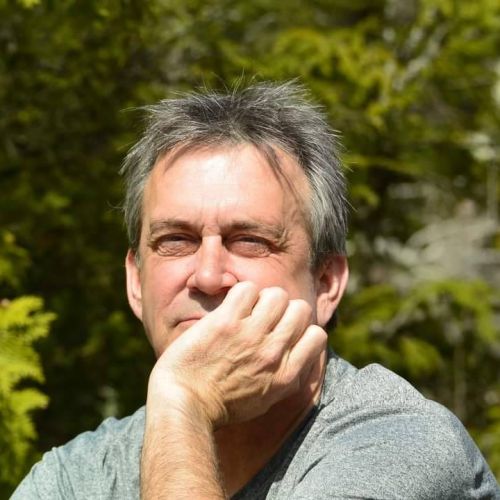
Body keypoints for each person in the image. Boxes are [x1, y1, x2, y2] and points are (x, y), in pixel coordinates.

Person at [14, 82, 499, 499]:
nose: (208, 276)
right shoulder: (76, 476)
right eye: (175, 240)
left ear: (326, 284)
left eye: (250, 241)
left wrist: (184, 402)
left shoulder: (400, 446)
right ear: (135, 281)